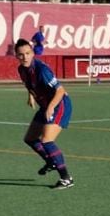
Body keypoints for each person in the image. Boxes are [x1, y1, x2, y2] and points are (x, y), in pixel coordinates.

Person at [15, 38, 74, 189]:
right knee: (30, 138)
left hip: (59, 104)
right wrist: (30, 95)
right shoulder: (22, 69)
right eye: (21, 54)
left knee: (46, 140)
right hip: (46, 105)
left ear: (33, 53)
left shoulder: (42, 70)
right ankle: (50, 161)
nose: (25, 57)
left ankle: (66, 178)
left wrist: (50, 108)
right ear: (16, 55)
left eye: (28, 53)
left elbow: (60, 91)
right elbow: (29, 84)